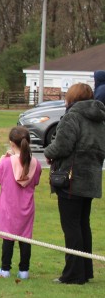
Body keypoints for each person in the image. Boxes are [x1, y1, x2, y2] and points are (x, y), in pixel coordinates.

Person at [44, 82, 105, 285]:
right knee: (82, 225)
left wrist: (48, 152)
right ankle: (85, 270)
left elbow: (62, 145)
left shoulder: (73, 117)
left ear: (72, 97)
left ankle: (73, 274)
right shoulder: (99, 120)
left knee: (71, 227)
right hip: (91, 179)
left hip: (72, 180)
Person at [0, 126, 42, 279]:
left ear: (12, 144)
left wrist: (1, 160)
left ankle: (5, 270)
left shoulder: (6, 162)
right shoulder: (36, 164)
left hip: (8, 207)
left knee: (8, 238)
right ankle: (24, 271)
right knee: (25, 239)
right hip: (26, 208)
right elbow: (36, 181)